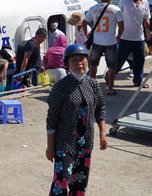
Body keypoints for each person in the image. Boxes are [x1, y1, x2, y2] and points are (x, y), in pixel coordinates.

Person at [46, 44, 108, 196]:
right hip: (64, 143)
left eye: (82, 60)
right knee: (62, 180)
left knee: (80, 182)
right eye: (74, 60)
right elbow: (52, 118)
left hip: (85, 142)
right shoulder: (60, 87)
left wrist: (103, 134)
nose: (79, 63)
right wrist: (50, 146)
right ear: (67, 64)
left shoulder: (93, 84)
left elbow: (100, 109)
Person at [83, 0, 122, 95]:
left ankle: (92, 87)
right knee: (111, 67)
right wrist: (118, 36)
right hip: (110, 42)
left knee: (93, 65)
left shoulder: (93, 8)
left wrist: (87, 35)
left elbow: (84, 23)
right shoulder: (115, 9)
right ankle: (110, 89)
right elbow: (122, 25)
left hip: (96, 42)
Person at [116, 0, 151, 87]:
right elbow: (117, 15)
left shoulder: (145, 3)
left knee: (140, 61)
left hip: (139, 38)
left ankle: (138, 80)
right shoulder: (124, 1)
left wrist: (148, 33)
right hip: (125, 37)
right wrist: (118, 33)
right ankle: (110, 77)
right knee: (119, 60)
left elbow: (146, 19)